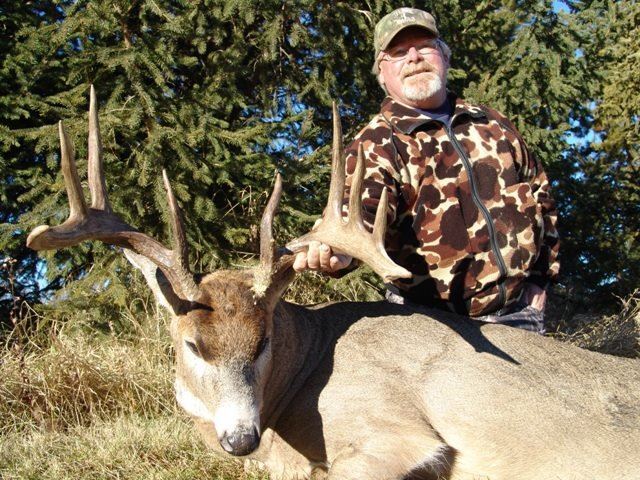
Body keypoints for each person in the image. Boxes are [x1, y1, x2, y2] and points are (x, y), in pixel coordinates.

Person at [293, 8, 559, 333]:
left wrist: (540, 279)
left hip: (519, 313)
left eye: (424, 46)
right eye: (398, 52)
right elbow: (360, 209)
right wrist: (338, 252)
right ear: (382, 72)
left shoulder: (492, 123)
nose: (414, 58)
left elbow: (541, 197)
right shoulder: (376, 144)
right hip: (433, 328)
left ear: (444, 57)